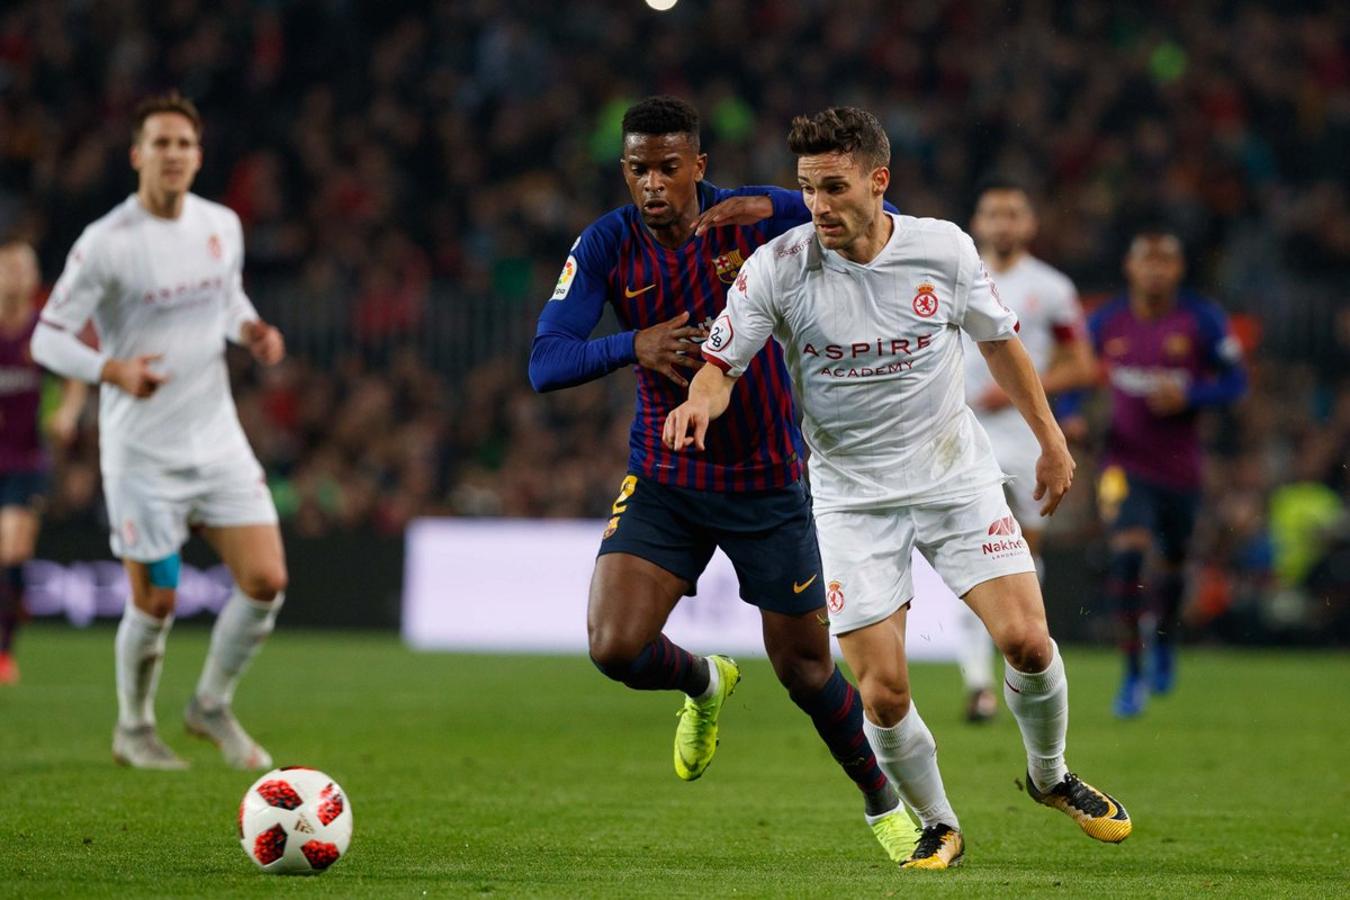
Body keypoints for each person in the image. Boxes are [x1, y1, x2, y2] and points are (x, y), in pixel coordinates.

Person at [667, 107, 1133, 867]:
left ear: (879, 182)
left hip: (955, 477)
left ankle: (1051, 777)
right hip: (852, 498)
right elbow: (722, 366)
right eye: (808, 188)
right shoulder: (777, 267)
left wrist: (1050, 439)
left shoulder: (942, 249)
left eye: (835, 187)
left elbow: (1001, 342)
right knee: (882, 694)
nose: (818, 204)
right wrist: (698, 398)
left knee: (1029, 642)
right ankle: (939, 822)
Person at [528, 96, 922, 865]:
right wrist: (630, 345)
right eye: (638, 169)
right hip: (666, 476)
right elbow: (545, 361)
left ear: (698, 167)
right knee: (614, 647)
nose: (653, 185)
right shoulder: (606, 244)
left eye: (669, 168)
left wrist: (781, 202)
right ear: (624, 171)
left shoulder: (753, 221)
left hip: (768, 482)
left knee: (808, 673)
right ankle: (705, 683)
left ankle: (884, 802)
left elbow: (885, 219)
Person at [31, 92, 288, 770]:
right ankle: (135, 727)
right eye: (161, 143)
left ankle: (209, 704)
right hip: (142, 451)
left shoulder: (221, 225)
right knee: (158, 598)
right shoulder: (106, 244)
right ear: (138, 154)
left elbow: (226, 297)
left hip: (217, 437)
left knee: (266, 580)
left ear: (198, 157)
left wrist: (251, 330)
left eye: (184, 144)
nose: (173, 154)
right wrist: (109, 369)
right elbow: (47, 338)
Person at [1087, 228, 1246, 717]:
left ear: (1177, 270)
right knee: (1129, 555)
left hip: (1180, 468)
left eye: (1165, 262)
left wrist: (1192, 396)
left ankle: (1165, 642)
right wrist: (1070, 411)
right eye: (1146, 261)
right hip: (1121, 463)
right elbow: (1074, 371)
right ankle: (1132, 675)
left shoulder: (1202, 319)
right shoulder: (1106, 321)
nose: (1156, 270)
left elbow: (1237, 382)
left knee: (1174, 563)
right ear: (1130, 268)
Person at [954, 180, 1097, 722]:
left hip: (1024, 435)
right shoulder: (956, 272)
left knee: (1023, 558)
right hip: (963, 434)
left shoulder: (1051, 287)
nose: (1003, 223)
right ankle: (976, 684)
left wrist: (1016, 385)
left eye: (1013, 213)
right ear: (977, 221)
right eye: (993, 214)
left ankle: (1020, 666)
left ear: (1029, 224)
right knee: (975, 554)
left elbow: (1081, 363)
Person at [0, 241, 86, 684]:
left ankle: (5, 650)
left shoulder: (42, 333)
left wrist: (66, 414)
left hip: (26, 458)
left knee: (12, 546)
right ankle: (14, 603)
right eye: (8, 267)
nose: (15, 276)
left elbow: (73, 380)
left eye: (23, 269)